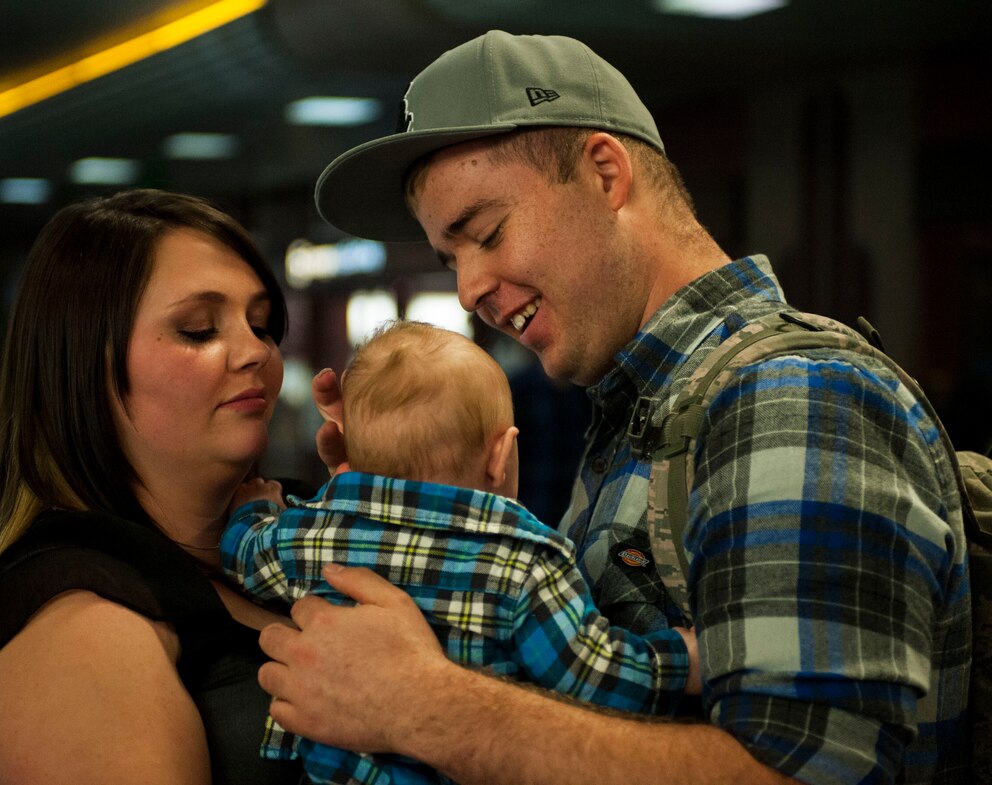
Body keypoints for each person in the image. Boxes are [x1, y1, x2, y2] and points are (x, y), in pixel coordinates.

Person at [257, 30, 972, 785]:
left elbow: (803, 773)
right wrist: (407, 506)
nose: (467, 289)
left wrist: (427, 708)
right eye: (451, 257)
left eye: (488, 232)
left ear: (604, 172)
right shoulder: (644, 408)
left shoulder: (791, 394)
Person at [221, 319, 699, 784]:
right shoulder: (524, 563)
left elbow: (243, 553)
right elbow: (599, 676)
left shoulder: (306, 535)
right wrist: (685, 659)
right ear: (501, 457)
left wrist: (255, 510)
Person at [0, 189, 306, 785]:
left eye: (262, 324)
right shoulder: (74, 626)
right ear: (83, 364)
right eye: (199, 329)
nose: (256, 352)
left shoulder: (299, 523)